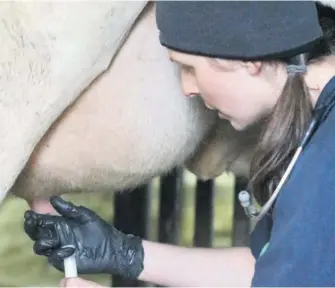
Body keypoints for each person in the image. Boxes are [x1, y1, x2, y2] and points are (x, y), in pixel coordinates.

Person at [23, 1, 335, 287]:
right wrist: (122, 252)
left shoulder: (324, 163)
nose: (187, 88)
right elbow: (266, 269)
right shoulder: (318, 129)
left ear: (247, 60)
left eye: (189, 67)